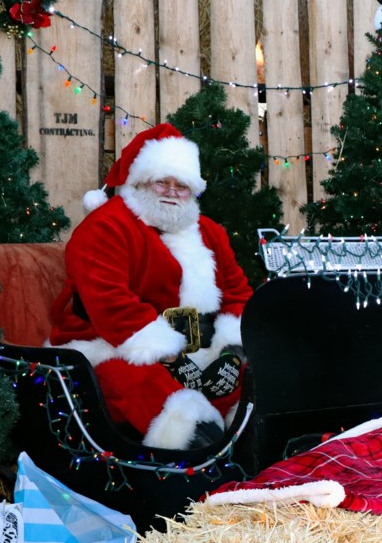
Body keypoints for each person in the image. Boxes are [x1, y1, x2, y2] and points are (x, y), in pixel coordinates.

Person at [49, 123, 252, 450]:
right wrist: (173, 361)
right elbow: (112, 306)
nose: (173, 192)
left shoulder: (211, 232)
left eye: (182, 186)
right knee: (144, 386)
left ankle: (255, 448)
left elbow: (238, 295)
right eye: (162, 182)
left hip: (198, 345)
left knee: (252, 382)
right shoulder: (105, 227)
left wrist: (230, 354)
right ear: (140, 183)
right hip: (111, 344)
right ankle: (194, 457)